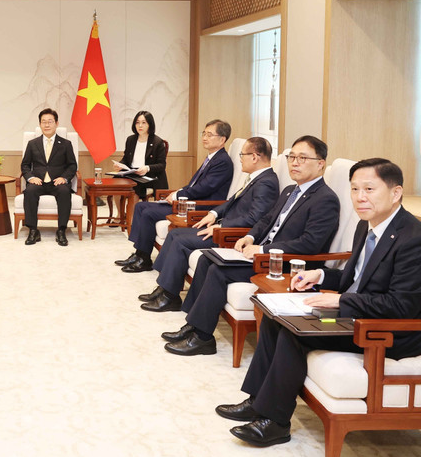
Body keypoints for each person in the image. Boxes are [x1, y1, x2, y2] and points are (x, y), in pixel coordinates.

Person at [216, 158, 421, 447]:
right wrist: (320, 275)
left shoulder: (415, 240)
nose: (360, 197)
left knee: (295, 334)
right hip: (359, 314)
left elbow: (401, 307)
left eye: (369, 189)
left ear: (395, 193)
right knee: (275, 316)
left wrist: (341, 301)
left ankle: (275, 423)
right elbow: (354, 280)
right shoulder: (368, 225)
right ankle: (257, 402)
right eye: (355, 189)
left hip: (389, 332)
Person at [164, 135, 339, 356]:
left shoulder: (325, 199)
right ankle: (193, 325)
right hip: (260, 254)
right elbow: (266, 220)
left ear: (320, 163)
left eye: (302, 158)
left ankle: (203, 338)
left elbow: (310, 243)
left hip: (282, 265)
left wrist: (264, 250)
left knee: (218, 271)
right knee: (208, 258)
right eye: (292, 157)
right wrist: (250, 237)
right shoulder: (290, 191)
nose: (294, 163)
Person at [140, 137, 279, 312]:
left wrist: (223, 226)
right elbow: (232, 201)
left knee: (180, 240)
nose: (240, 158)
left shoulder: (267, 182)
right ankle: (164, 289)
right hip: (225, 227)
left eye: (242, 154)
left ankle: (169, 297)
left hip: (231, 235)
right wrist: (213, 214)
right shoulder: (255, 178)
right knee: (175, 234)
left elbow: (255, 217)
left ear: (255, 157)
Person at [117, 119, 234, 272]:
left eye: (209, 134)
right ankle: (140, 253)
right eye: (204, 133)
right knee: (141, 206)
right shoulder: (212, 157)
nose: (204, 137)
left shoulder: (223, 161)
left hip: (199, 207)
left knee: (149, 212)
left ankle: (144, 260)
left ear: (222, 139)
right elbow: (195, 185)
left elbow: (204, 189)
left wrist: (179, 195)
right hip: (190, 200)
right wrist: (177, 192)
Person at [20, 108, 78, 247]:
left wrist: (64, 178)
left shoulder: (65, 144)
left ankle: (61, 230)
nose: (46, 125)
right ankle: (33, 230)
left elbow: (72, 165)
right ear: (40, 124)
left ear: (56, 123)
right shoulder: (32, 143)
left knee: (64, 192)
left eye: (50, 122)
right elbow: (25, 165)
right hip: (38, 181)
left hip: (57, 181)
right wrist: (30, 178)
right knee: (29, 192)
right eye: (43, 122)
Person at [114, 110, 169, 200]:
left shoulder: (157, 142)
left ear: (149, 124)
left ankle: (131, 214)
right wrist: (120, 165)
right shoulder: (130, 139)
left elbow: (162, 165)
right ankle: (120, 214)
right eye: (137, 122)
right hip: (131, 173)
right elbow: (126, 159)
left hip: (149, 175)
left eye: (143, 123)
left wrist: (147, 168)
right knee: (115, 184)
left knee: (135, 187)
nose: (140, 126)